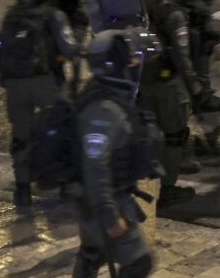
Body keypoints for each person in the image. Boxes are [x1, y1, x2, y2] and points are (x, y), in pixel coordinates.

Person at [0, 0, 77, 209]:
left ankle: (22, 189)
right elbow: (70, 49)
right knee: (62, 130)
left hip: (15, 85)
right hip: (46, 82)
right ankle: (63, 183)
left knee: (21, 137)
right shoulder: (53, 16)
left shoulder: (12, 15)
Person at [72, 29, 161, 278]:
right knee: (138, 264)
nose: (135, 61)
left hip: (97, 198)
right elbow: (95, 166)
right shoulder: (104, 110)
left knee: (93, 253)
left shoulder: (106, 92)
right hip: (103, 200)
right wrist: (110, 217)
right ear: (115, 63)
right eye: (130, 56)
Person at [142, 0, 203, 206]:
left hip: (142, 78)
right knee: (175, 134)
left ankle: (142, 181)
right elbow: (182, 57)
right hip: (167, 84)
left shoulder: (141, 2)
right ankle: (166, 188)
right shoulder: (174, 13)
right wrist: (198, 90)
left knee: (146, 132)